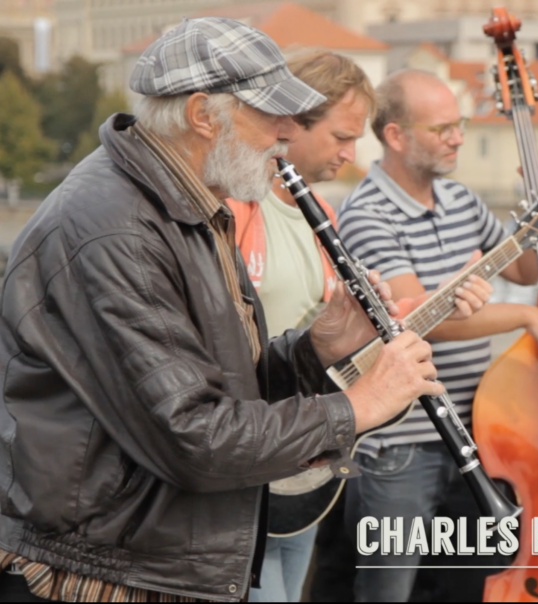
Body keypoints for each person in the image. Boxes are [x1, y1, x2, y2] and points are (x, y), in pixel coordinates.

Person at [0, 19, 488, 602]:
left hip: (146, 553)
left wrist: (317, 348)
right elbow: (195, 438)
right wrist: (357, 407)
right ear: (203, 115)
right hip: (101, 571)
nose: (287, 133)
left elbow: (224, 386)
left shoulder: (191, 205)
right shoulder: (116, 229)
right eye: (272, 114)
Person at [226, 49, 493, 603]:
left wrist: (372, 324)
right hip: (250, 451)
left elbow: (329, 343)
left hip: (304, 453)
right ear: (291, 124)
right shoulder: (235, 207)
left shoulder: (319, 209)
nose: (352, 155)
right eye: (341, 138)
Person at [327, 68, 538, 603]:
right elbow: (418, 318)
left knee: (472, 587)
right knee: (387, 594)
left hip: (476, 431)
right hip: (402, 447)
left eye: (459, 124)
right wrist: (529, 318)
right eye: (442, 128)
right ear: (396, 136)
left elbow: (524, 270)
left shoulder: (461, 199)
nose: (459, 137)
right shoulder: (368, 214)